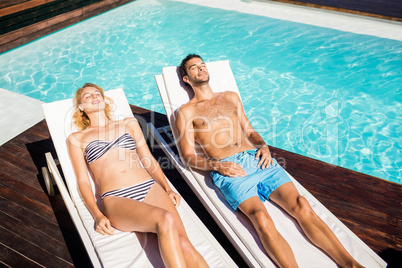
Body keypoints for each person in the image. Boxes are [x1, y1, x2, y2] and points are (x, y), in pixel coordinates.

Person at [176, 54, 363, 268]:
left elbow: (250, 130)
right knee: (261, 219)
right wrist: (217, 165)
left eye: (202, 65)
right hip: (232, 170)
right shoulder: (186, 111)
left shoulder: (230, 96)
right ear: (186, 79)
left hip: (258, 159)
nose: (201, 69)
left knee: (302, 205)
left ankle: (351, 264)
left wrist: (263, 145)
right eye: (194, 68)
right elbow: (188, 157)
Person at [67, 83, 208, 268]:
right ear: (80, 107)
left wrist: (167, 188)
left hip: (149, 187)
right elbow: (83, 181)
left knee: (184, 244)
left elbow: (148, 159)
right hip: (116, 198)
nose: (94, 97)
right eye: (87, 97)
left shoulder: (129, 123)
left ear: (103, 99)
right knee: (164, 219)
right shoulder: (77, 138)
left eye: (97, 93)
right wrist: (97, 215)